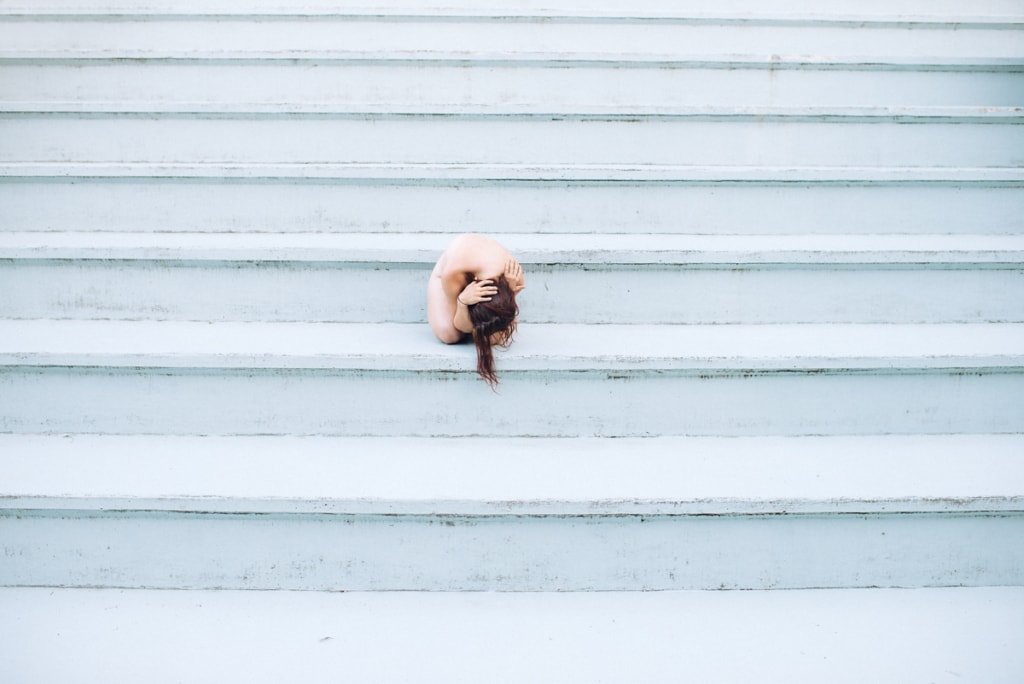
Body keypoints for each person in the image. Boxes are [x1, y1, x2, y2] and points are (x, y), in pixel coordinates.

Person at [428, 234, 526, 386]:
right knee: (449, 334)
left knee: (493, 338)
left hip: (485, 276)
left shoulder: (513, 275)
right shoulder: (453, 273)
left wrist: (510, 291)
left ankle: (482, 323)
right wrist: (462, 302)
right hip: (447, 275)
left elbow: (496, 329)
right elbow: (459, 325)